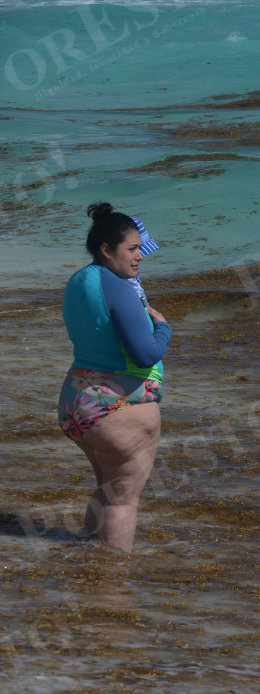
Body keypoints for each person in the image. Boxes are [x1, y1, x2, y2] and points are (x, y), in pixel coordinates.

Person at [58, 203, 171, 553]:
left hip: (76, 401)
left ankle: (89, 562)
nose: (139, 257)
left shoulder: (79, 280)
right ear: (107, 250)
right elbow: (145, 353)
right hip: (118, 408)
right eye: (132, 249)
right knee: (123, 499)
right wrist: (165, 327)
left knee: (108, 488)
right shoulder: (121, 290)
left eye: (140, 248)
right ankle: (111, 591)